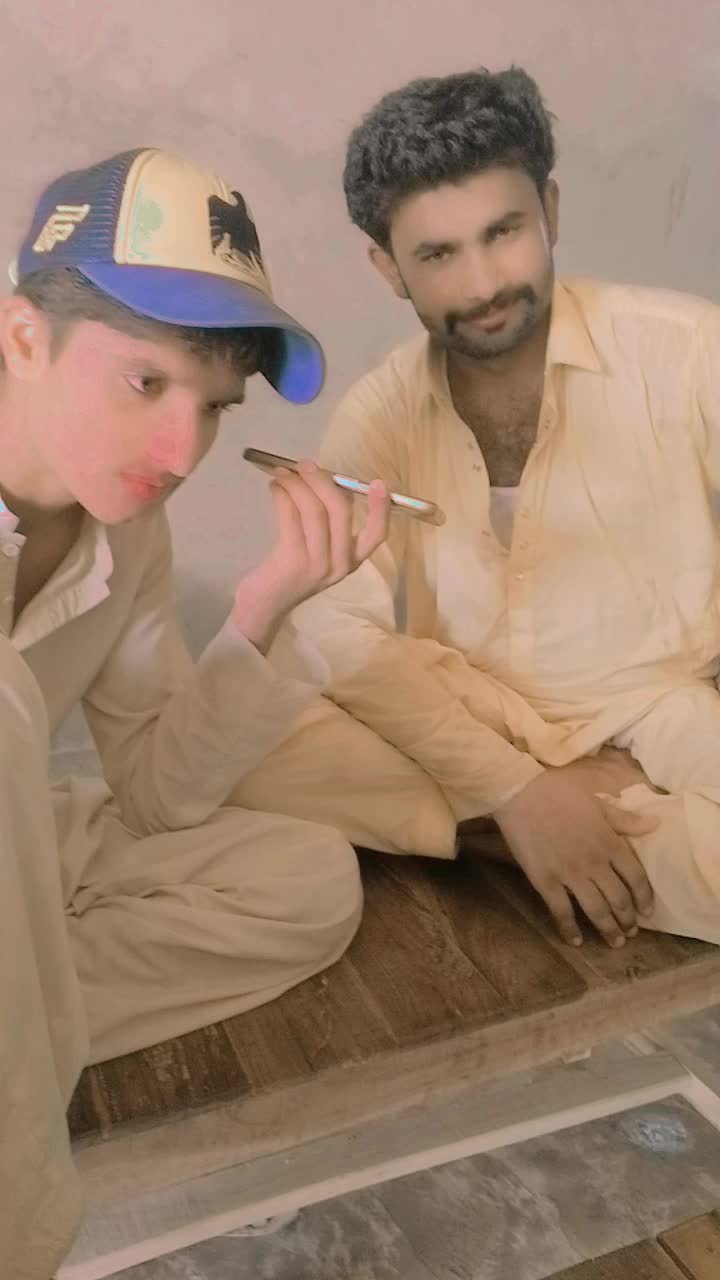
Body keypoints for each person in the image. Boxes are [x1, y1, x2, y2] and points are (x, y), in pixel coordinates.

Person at [0, 146, 391, 1280]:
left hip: (30, 845)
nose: (184, 453)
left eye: (214, 406)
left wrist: (264, 606)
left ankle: (30, 1009)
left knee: (309, 878)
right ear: (22, 337)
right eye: (146, 384)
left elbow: (158, 794)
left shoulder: (129, 530)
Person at [235, 67, 720, 957]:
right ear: (389, 269)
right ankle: (539, 829)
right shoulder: (381, 413)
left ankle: (513, 837)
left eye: (503, 232)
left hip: (661, 715)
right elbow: (334, 631)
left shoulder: (690, 354)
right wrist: (515, 789)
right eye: (438, 255)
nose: (485, 282)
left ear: (550, 211)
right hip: (474, 716)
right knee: (248, 747)